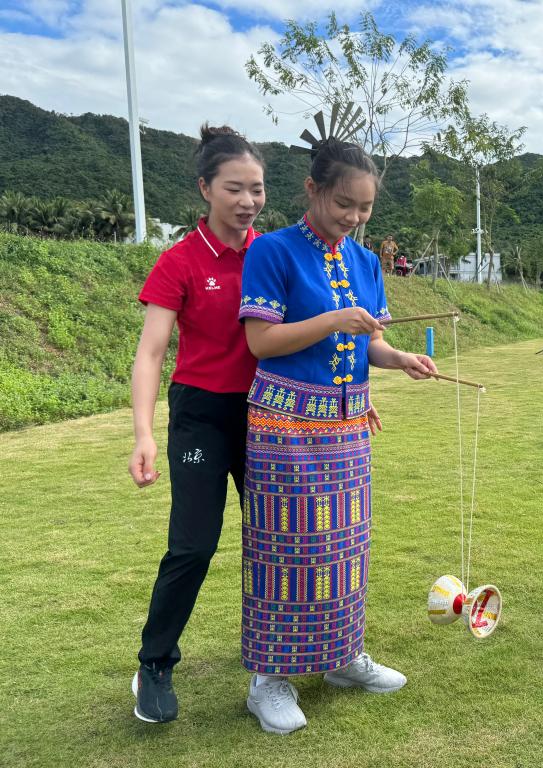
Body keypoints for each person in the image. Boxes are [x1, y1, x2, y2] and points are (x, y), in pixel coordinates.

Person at [238, 121, 437, 735]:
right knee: (283, 548)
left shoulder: (367, 260)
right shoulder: (272, 250)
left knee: (344, 547)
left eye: (366, 206)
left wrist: (398, 357)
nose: (354, 216)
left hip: (347, 424)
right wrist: (330, 320)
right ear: (312, 190)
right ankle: (269, 679)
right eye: (344, 203)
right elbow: (260, 340)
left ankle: (342, 656)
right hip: (284, 423)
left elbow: (368, 341)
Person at [129, 125, 266, 723]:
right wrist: (143, 433)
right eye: (234, 188)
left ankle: (278, 657)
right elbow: (152, 350)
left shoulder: (274, 252)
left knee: (279, 540)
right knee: (193, 544)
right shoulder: (180, 261)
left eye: (257, 189)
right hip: (203, 414)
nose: (247, 201)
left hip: (269, 410)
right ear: (205, 189)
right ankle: (155, 664)